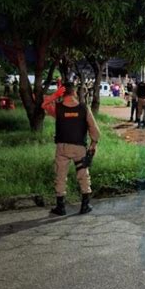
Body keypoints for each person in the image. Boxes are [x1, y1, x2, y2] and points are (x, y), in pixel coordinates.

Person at [41, 81, 101, 215]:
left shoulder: (58, 108)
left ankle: (60, 207)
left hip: (62, 147)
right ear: (74, 92)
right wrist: (93, 144)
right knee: (83, 175)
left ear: (62, 93)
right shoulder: (84, 108)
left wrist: (54, 96)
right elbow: (94, 130)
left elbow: (43, 105)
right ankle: (85, 205)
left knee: (60, 176)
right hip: (79, 147)